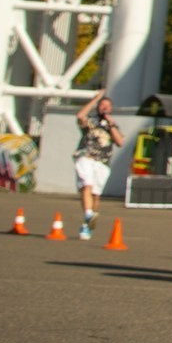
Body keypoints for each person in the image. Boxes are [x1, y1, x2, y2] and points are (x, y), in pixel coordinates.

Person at [72, 94, 123, 239]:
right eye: (102, 105)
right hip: (86, 157)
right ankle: (88, 214)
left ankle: (88, 223)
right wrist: (95, 99)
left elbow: (120, 142)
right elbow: (80, 115)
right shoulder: (91, 121)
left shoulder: (112, 126)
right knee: (86, 184)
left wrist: (110, 123)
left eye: (107, 106)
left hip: (102, 162)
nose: (104, 108)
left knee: (95, 194)